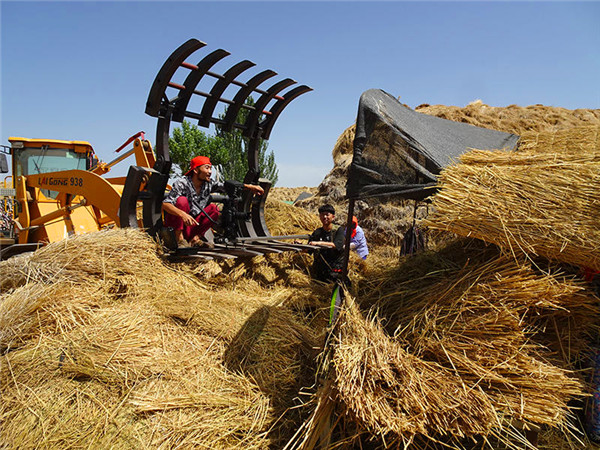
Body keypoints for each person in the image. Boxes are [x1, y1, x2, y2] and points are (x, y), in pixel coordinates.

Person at [162, 155, 264, 247]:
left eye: (210, 168)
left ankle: (195, 240)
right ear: (196, 170)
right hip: (177, 227)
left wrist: (250, 187)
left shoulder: (209, 184)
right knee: (182, 201)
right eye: (207, 168)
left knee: (213, 209)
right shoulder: (181, 183)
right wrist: (182, 214)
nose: (210, 172)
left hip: (192, 226)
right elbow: (166, 204)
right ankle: (180, 240)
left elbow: (228, 187)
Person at [308, 204, 345, 282]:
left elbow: (336, 245)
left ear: (333, 217)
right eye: (322, 215)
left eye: (327, 215)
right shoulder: (317, 232)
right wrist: (300, 246)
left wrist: (318, 243)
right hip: (320, 270)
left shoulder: (338, 230)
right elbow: (309, 250)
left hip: (335, 268)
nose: (324, 217)